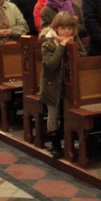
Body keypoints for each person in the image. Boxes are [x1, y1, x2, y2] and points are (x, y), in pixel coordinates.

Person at [40, 12, 86, 158]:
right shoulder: (48, 42)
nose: (67, 32)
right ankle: (55, 143)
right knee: (54, 112)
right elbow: (50, 64)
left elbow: (83, 54)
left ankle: (71, 140)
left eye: (70, 28)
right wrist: (61, 47)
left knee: (69, 110)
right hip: (52, 84)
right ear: (56, 28)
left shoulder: (74, 39)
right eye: (63, 28)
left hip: (70, 83)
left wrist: (74, 51)